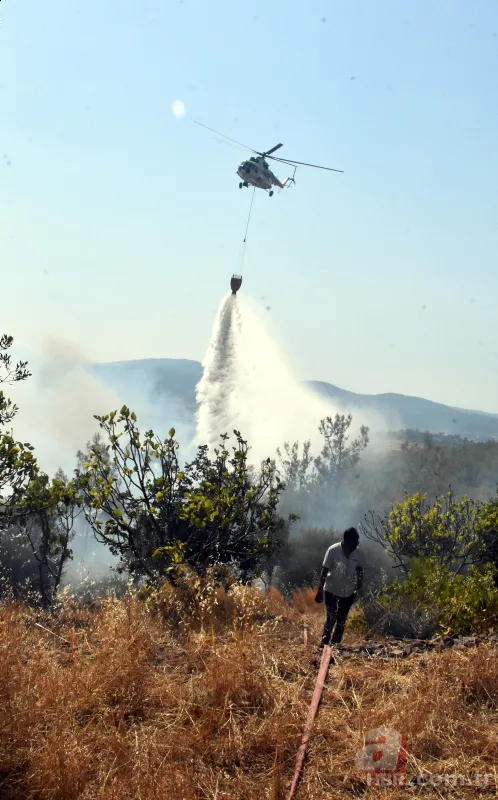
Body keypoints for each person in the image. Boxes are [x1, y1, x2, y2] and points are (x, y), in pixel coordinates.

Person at [315, 527, 363, 648]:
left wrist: (359, 582)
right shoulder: (333, 550)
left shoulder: (357, 553)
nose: (357, 542)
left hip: (348, 593)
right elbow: (324, 571)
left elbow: (359, 569)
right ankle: (325, 643)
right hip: (331, 590)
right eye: (355, 540)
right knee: (331, 618)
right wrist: (319, 591)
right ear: (347, 540)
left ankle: (336, 645)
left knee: (341, 620)